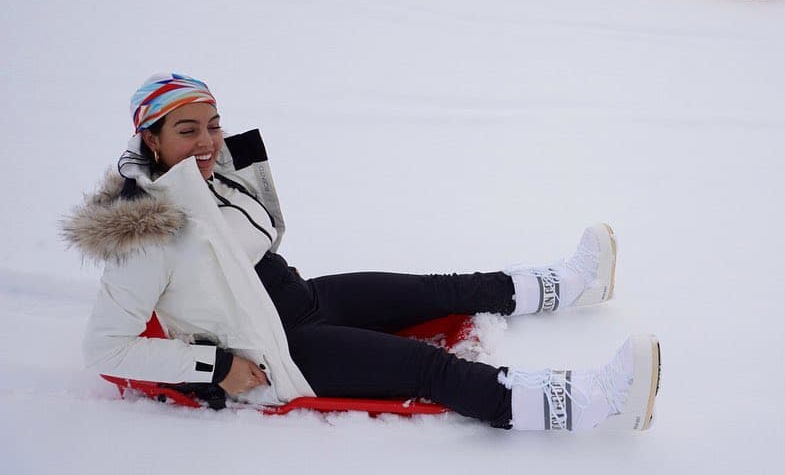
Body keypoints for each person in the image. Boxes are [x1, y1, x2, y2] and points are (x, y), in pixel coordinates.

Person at [63, 73, 661, 432]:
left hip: (307, 299)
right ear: (150, 138)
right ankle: (590, 404)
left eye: (213, 124)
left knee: (438, 288)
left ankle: (568, 284)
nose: (209, 141)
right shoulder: (143, 233)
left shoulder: (210, 179)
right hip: (284, 352)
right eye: (187, 130)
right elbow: (103, 349)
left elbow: (253, 241)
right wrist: (215, 369)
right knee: (430, 370)